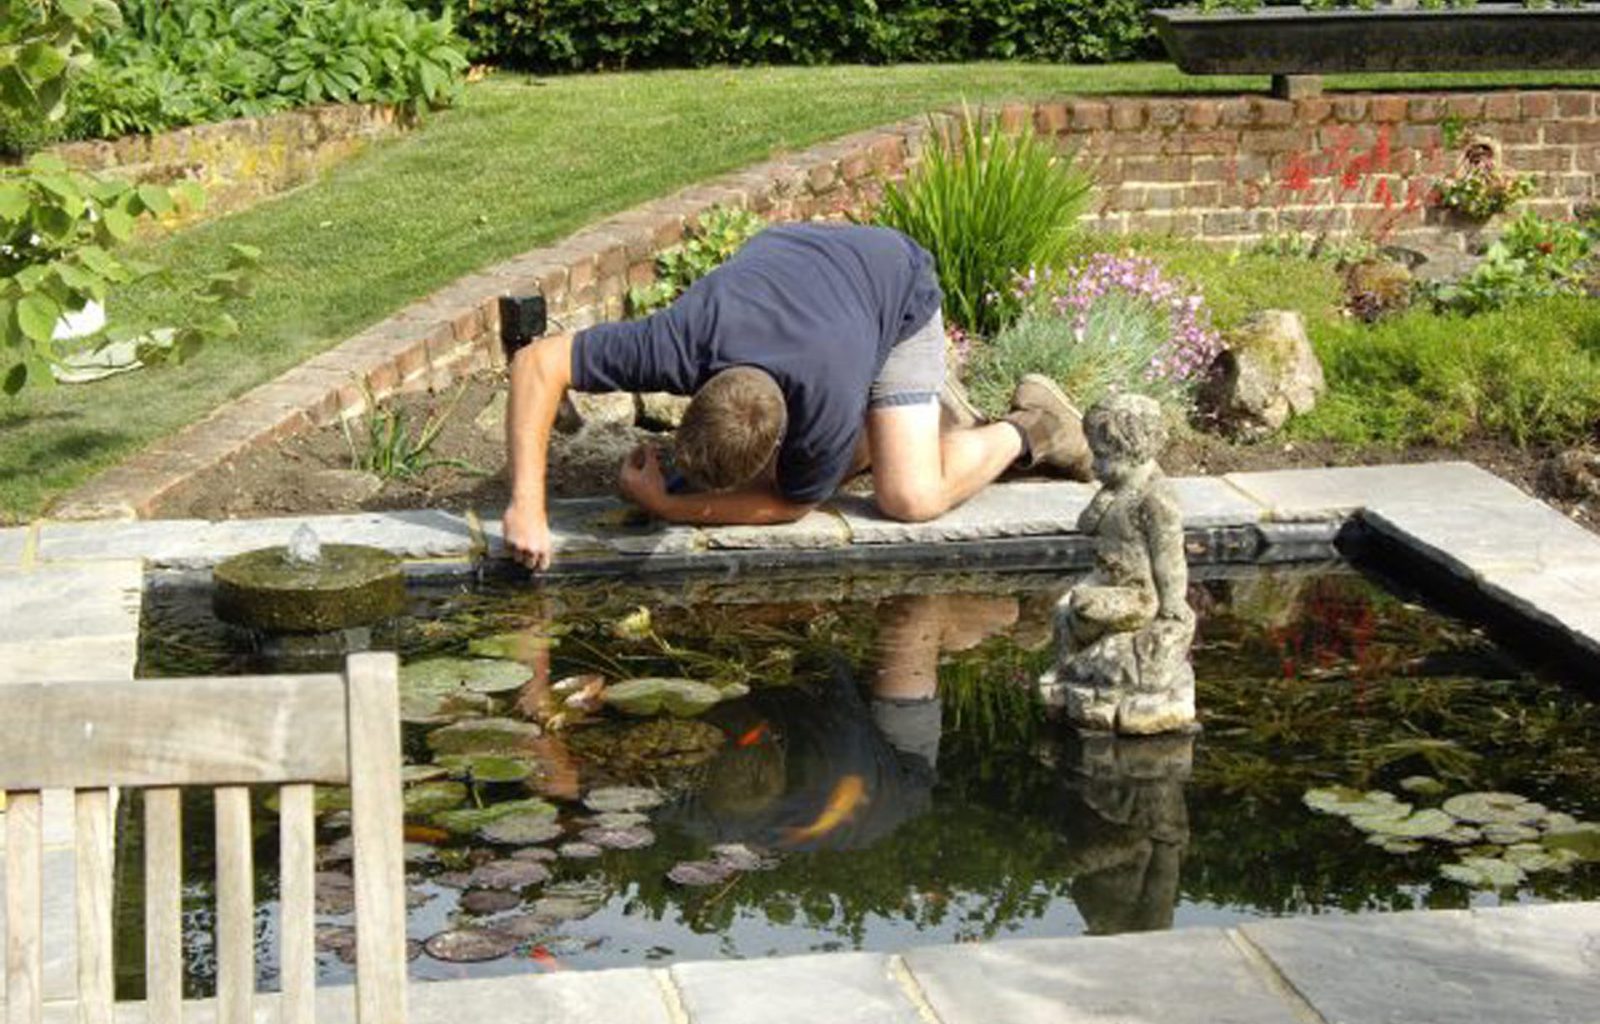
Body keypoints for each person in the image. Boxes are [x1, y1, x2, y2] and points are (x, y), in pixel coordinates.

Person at [503, 222, 1091, 571]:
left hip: (895, 285)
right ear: (696, 385)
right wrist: (527, 506)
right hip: (797, 263)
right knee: (846, 462)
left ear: (784, 437)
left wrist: (669, 507)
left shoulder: (826, 397)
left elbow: (790, 506)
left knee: (909, 494)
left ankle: (1034, 425)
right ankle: (918, 422)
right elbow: (537, 363)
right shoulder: (679, 342)